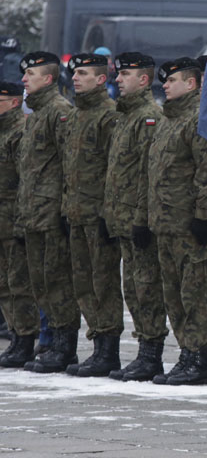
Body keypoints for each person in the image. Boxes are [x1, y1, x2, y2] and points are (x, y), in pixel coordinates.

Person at [148, 57, 207, 385]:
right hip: (166, 224)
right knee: (174, 296)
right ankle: (186, 354)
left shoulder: (200, 119)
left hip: (191, 226)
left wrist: (203, 217)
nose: (165, 85)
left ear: (191, 83)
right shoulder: (168, 120)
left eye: (172, 80)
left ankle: (199, 359)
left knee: (196, 295)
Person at [103, 52, 168, 382]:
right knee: (133, 287)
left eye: (124, 74)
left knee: (146, 288)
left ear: (143, 80)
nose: (118, 79)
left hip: (139, 220)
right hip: (122, 218)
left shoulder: (148, 118)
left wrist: (142, 218)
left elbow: (148, 175)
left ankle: (151, 354)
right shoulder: (125, 116)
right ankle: (144, 352)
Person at [18, 52, 81, 373]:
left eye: (30, 74)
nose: (23, 80)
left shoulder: (59, 111)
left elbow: (70, 165)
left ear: (48, 79)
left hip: (53, 212)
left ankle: (65, 347)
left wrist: (65, 210)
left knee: (58, 281)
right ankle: (52, 340)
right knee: (41, 281)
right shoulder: (37, 113)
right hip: (34, 212)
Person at [62, 53, 123, 378]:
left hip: (98, 215)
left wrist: (106, 214)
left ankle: (108, 350)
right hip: (76, 213)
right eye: (75, 73)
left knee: (104, 283)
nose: (75, 78)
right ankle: (97, 345)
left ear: (101, 79)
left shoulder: (108, 116)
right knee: (84, 283)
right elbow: (69, 169)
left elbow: (114, 170)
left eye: (83, 73)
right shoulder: (76, 115)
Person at [0, 82, 37, 368]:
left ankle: (25, 339)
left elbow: (27, 181)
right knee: (4, 283)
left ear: (14, 103)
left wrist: (24, 221)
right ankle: (14, 334)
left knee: (19, 283)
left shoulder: (19, 133)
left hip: (14, 219)